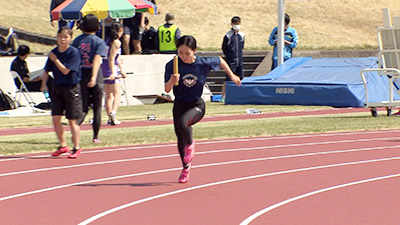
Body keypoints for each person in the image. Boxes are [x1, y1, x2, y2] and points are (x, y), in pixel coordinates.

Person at [164, 35, 241, 183]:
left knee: (183, 123)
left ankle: (191, 144)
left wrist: (232, 76)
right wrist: (172, 80)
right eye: (180, 53)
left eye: (187, 53)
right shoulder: (172, 65)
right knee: (180, 137)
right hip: (179, 103)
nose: (184, 56)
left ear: (194, 51)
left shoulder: (202, 63)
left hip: (196, 104)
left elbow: (220, 60)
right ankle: (185, 168)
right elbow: (167, 90)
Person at [40, 27, 82, 159]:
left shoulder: (73, 53)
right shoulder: (54, 52)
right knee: (56, 119)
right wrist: (44, 84)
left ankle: (76, 147)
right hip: (57, 87)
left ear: (70, 39)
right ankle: (63, 145)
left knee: (72, 120)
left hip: (71, 87)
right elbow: (46, 70)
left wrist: (55, 60)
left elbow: (65, 71)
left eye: (65, 37)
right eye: (60, 37)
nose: (62, 39)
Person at [72, 14, 106, 144]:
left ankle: (75, 128)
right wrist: (94, 76)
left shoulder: (77, 41)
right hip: (95, 75)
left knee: (83, 107)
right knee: (97, 107)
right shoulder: (99, 42)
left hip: (81, 75)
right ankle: (95, 136)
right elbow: (97, 59)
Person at [101, 22, 127, 125]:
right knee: (117, 93)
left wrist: (123, 70)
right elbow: (111, 59)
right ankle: (113, 112)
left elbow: (118, 58)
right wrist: (113, 73)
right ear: (121, 30)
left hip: (105, 67)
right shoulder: (116, 42)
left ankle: (109, 117)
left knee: (108, 95)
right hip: (110, 68)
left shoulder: (107, 41)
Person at [222, 16, 245, 101]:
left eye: (238, 24)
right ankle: (223, 96)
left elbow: (242, 46)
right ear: (231, 24)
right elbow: (224, 48)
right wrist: (229, 57)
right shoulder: (228, 36)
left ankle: (241, 95)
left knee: (241, 79)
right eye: (235, 24)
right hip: (231, 61)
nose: (236, 25)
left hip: (239, 61)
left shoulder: (242, 35)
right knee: (228, 79)